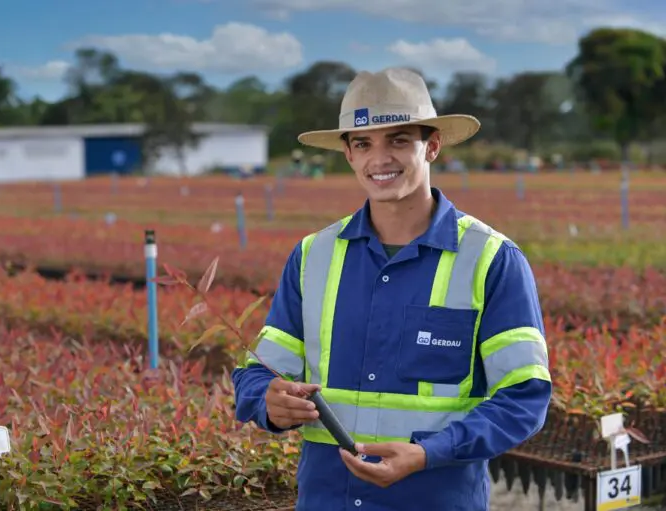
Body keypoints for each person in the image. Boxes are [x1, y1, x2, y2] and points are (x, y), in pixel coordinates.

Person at [231, 67, 552, 511]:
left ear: (432, 145)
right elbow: (260, 372)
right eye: (363, 144)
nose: (378, 159)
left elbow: (524, 397)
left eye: (399, 140)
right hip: (328, 499)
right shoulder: (312, 256)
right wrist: (266, 400)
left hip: (436, 498)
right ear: (347, 153)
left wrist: (427, 453)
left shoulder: (493, 260)